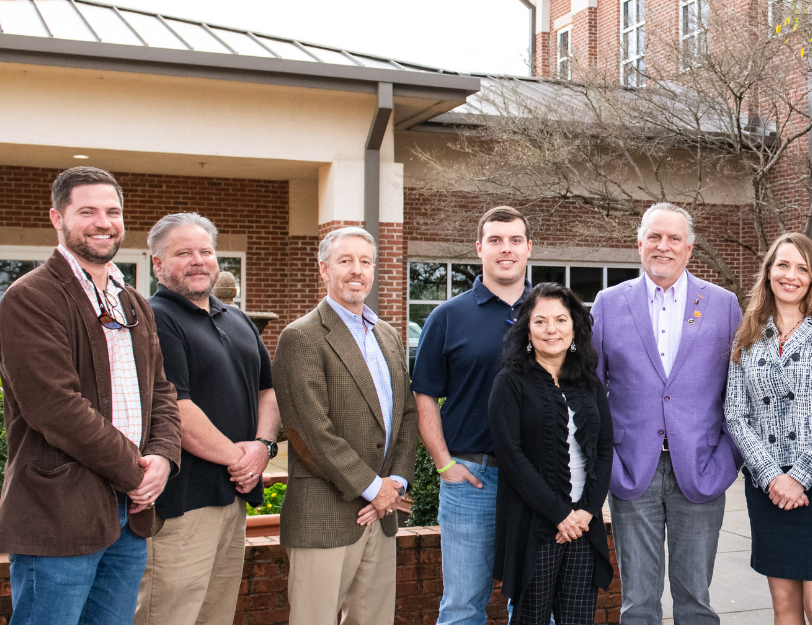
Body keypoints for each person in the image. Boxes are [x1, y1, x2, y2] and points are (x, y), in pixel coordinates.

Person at [0, 166, 182, 625]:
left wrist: (162, 457)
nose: (104, 222)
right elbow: (55, 407)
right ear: (57, 218)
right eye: (88, 211)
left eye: (113, 211)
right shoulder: (30, 298)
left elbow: (161, 390)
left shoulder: (131, 301)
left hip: (131, 517)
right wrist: (134, 474)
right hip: (60, 512)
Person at [590, 202, 744, 625]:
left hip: (700, 468)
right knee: (638, 604)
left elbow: (741, 391)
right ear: (639, 244)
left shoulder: (723, 304)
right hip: (631, 471)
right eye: (654, 237)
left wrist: (727, 459)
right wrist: (608, 461)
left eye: (674, 238)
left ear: (689, 247)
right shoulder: (607, 304)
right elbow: (589, 392)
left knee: (695, 601)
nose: (664, 246)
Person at [136, 213, 281, 625]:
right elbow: (176, 408)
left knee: (216, 616)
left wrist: (263, 446)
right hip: (183, 504)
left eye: (206, 251)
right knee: (167, 615)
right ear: (158, 264)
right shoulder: (156, 319)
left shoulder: (235, 318)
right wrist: (241, 459)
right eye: (183, 253)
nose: (198, 261)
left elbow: (267, 390)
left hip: (232, 498)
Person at [273, 226, 419, 625]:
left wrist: (396, 484)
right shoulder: (300, 337)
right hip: (326, 513)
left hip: (382, 515)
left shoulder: (387, 335)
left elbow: (407, 415)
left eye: (365, 262)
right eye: (345, 261)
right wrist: (375, 489)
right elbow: (310, 430)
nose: (357, 270)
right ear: (324, 269)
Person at [723, 233, 812, 625]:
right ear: (768, 272)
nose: (791, 275)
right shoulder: (747, 333)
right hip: (767, 485)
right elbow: (735, 412)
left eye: (802, 268)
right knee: (784, 606)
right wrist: (771, 478)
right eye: (783, 265)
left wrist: (799, 477)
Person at [415, 206, 532, 625]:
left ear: (528, 248)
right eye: (496, 241)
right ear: (479, 248)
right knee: (463, 605)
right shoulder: (448, 317)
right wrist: (444, 464)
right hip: (471, 478)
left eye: (515, 240)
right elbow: (424, 395)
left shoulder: (552, 314)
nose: (506, 249)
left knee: (535, 605)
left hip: (538, 482)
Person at [490, 283, 616, 625]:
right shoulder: (510, 382)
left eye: (561, 320)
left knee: (577, 618)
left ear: (574, 327)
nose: (551, 330)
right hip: (535, 524)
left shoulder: (588, 382)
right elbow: (511, 456)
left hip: (583, 525)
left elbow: (604, 449)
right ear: (527, 330)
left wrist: (587, 511)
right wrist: (560, 514)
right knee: (530, 618)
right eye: (541, 321)